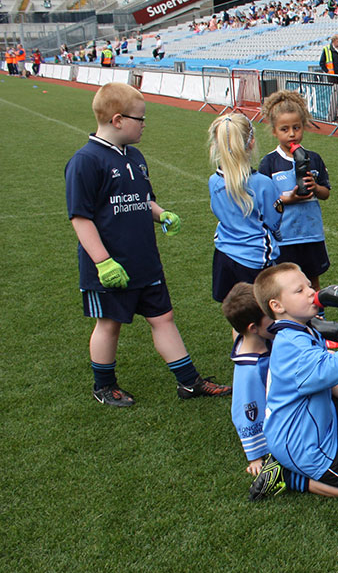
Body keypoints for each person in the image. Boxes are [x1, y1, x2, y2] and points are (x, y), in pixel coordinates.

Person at [65, 82, 231, 406]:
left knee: (163, 318)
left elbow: (143, 200)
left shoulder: (136, 156)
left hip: (145, 261)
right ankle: (104, 385)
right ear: (117, 120)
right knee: (109, 324)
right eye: (139, 119)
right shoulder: (86, 161)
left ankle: (189, 382)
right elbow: (80, 218)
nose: (144, 125)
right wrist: (102, 262)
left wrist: (161, 214)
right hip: (110, 266)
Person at [247, 264, 338, 500]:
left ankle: (315, 455)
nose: (311, 292)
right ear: (277, 306)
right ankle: (288, 476)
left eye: (309, 285)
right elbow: (333, 370)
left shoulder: (302, 329)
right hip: (297, 437)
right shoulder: (292, 345)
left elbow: (326, 375)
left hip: (306, 420)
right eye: (299, 291)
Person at [258, 91, 332, 294]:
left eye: (296, 128)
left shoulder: (314, 158)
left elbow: (326, 193)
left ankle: (317, 322)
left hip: (311, 234)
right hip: (284, 238)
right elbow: (265, 203)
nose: (291, 134)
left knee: (312, 284)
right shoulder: (269, 163)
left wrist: (315, 188)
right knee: (285, 287)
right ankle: (290, 324)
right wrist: (286, 198)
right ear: (274, 131)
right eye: (284, 129)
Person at [208, 113, 281, 304]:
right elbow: (274, 221)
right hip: (255, 258)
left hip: (224, 254)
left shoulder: (214, 181)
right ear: (251, 142)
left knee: (237, 314)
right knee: (264, 315)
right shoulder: (262, 183)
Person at [221, 283, 274, 478]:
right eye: (270, 314)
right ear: (253, 328)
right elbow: (247, 412)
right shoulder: (250, 372)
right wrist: (255, 457)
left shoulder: (263, 339)